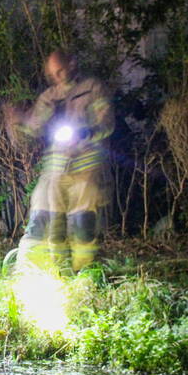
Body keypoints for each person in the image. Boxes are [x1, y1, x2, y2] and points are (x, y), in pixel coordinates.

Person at [6, 50, 114, 273]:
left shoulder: (92, 89)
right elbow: (35, 124)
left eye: (61, 69)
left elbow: (107, 123)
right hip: (55, 169)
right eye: (53, 72)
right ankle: (36, 269)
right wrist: (18, 120)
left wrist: (85, 133)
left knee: (82, 222)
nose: (58, 75)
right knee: (43, 218)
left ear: (72, 63)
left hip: (85, 167)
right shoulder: (49, 97)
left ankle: (83, 273)